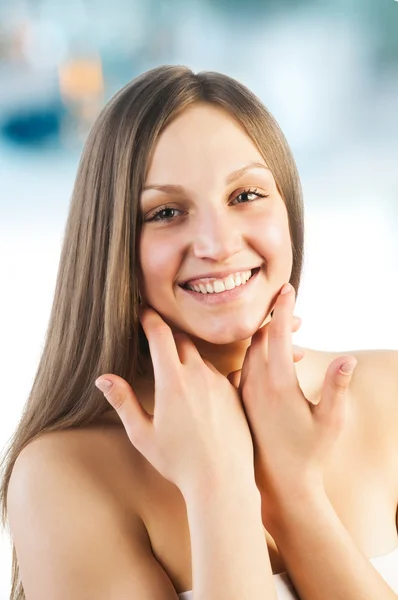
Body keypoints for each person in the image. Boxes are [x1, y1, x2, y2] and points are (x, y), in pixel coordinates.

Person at [1, 65, 398, 600]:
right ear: (112, 245)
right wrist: (220, 489)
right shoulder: (64, 475)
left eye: (246, 195)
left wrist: (296, 496)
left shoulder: (388, 394)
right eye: (166, 211)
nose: (217, 242)